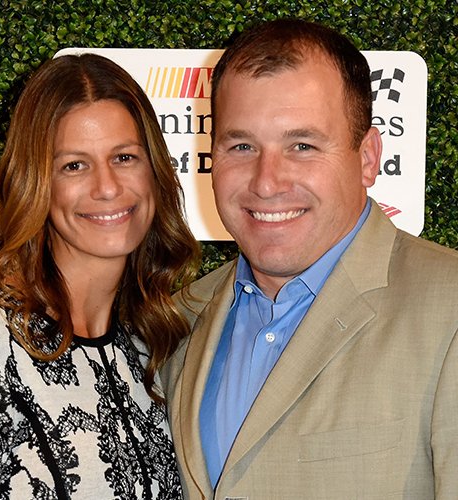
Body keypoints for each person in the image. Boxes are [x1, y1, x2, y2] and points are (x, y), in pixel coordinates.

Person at [162, 19, 458, 498]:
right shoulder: (178, 320)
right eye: (242, 146)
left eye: (302, 145)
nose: (266, 181)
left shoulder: (450, 309)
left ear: (367, 156)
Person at [0, 53, 200, 499]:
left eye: (124, 157)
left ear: (154, 170)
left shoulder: (152, 344)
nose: (107, 186)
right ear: (37, 183)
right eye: (74, 166)